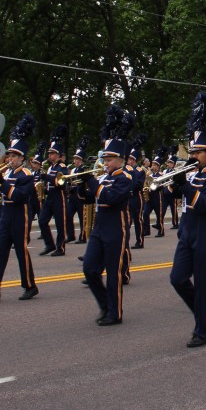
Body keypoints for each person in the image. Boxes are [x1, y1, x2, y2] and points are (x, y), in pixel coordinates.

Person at [169, 91, 206, 347]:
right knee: (177, 278)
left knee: (203, 282)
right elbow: (177, 196)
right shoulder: (190, 173)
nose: (192, 155)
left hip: (205, 231)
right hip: (187, 231)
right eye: (192, 151)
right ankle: (203, 312)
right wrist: (174, 185)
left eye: (198, 151)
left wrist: (186, 186)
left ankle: (201, 330)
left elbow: (203, 205)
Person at [0, 114, 39, 302]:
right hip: (6, 215)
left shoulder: (27, 174)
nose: (9, 158)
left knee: (21, 251)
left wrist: (2, 183)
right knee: (0, 252)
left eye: (13, 156)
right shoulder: (8, 172)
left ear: (21, 157)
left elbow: (20, 196)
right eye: (9, 155)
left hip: (20, 215)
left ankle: (30, 285)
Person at [82, 105, 133, 326]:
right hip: (99, 227)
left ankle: (115, 312)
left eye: (110, 159)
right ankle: (104, 304)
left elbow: (110, 198)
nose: (106, 164)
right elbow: (88, 199)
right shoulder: (102, 178)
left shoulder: (125, 178)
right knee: (89, 269)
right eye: (105, 159)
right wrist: (80, 185)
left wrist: (92, 183)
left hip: (115, 227)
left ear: (120, 160)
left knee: (113, 273)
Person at [38, 125, 69, 257]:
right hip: (49, 196)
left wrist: (47, 177)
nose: (49, 155)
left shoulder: (62, 167)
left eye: (52, 153)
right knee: (42, 220)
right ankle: (49, 244)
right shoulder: (50, 167)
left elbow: (60, 183)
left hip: (59, 196)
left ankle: (60, 248)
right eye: (49, 153)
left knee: (60, 223)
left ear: (57, 154)